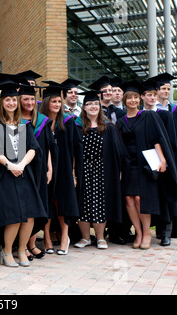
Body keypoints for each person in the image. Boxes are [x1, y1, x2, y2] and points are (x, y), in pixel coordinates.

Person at [0, 82, 46, 267]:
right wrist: (11, 165)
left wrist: (21, 164)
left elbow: (33, 149)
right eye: (8, 99)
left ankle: (22, 250)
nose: (12, 103)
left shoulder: (24, 125)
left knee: (29, 214)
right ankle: (6, 252)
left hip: (24, 173)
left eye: (14, 99)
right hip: (5, 175)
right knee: (13, 215)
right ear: (2, 102)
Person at [116, 80, 177, 249]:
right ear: (125, 101)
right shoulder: (121, 122)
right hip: (128, 164)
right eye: (130, 98)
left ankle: (146, 234)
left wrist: (163, 159)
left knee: (140, 199)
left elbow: (155, 139)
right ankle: (139, 232)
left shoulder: (147, 116)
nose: (133, 101)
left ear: (140, 99)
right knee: (129, 199)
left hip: (144, 164)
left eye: (136, 97)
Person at [74, 91, 128, 250]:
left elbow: (118, 153)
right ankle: (85, 238)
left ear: (99, 107)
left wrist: (118, 171)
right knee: (83, 203)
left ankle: (100, 237)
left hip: (101, 171)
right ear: (84, 107)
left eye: (95, 104)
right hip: (83, 170)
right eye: (89, 104)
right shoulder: (77, 127)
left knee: (99, 203)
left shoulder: (109, 128)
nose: (92, 107)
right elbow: (72, 152)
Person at [39, 84, 82, 255]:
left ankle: (65, 237)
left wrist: (73, 173)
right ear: (47, 102)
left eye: (59, 101)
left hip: (64, 168)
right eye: (54, 101)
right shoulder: (40, 122)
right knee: (48, 202)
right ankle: (47, 237)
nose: (57, 105)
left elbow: (73, 149)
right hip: (46, 168)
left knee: (64, 203)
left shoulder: (68, 122)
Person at [151, 72, 177, 240]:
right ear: (157, 90)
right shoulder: (152, 111)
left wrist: (176, 157)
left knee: (174, 190)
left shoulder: (175, 110)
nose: (166, 91)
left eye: (168, 88)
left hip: (174, 158)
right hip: (157, 158)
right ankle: (162, 229)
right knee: (160, 193)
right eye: (163, 88)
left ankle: (176, 227)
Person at [19, 84, 55, 259]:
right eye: (26, 99)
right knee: (24, 206)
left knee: (37, 204)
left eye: (32, 99)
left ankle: (31, 243)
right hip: (21, 167)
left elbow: (47, 146)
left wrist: (50, 167)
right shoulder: (15, 119)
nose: (29, 102)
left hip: (39, 167)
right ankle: (21, 245)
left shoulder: (42, 120)